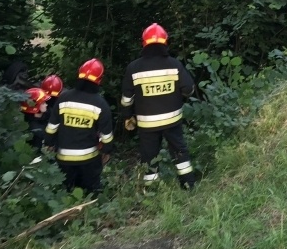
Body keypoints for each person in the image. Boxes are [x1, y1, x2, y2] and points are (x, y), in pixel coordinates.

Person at [120, 23, 198, 189]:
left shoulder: (133, 68)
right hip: (172, 120)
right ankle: (188, 185)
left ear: (144, 43)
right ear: (165, 43)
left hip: (147, 124)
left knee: (149, 157)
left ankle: (151, 191)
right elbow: (189, 89)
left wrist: (128, 116)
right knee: (179, 151)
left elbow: (127, 99)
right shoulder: (174, 64)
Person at [44, 59, 114, 195]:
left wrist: (49, 143)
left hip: (63, 159)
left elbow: (51, 127)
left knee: (66, 192)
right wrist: (107, 151)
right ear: (99, 80)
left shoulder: (63, 98)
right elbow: (107, 137)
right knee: (91, 192)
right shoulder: (101, 104)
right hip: (89, 161)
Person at [20, 87, 50, 151]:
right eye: (43, 103)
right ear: (36, 106)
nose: (46, 105)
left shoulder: (44, 115)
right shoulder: (36, 130)